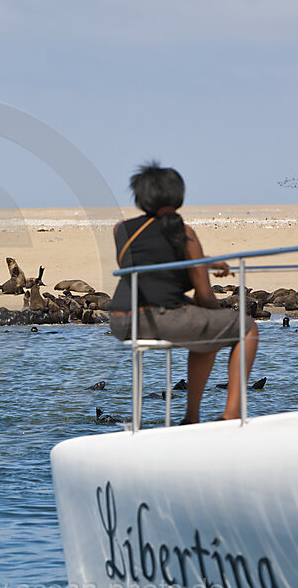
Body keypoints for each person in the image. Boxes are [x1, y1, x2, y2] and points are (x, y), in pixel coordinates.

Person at [108, 162, 258, 424]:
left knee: (209, 331)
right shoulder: (185, 233)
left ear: (140, 197)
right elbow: (205, 294)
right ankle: (229, 414)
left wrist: (203, 260)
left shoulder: (120, 230)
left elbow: (149, 265)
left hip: (121, 319)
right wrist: (212, 305)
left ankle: (192, 418)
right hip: (159, 317)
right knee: (246, 328)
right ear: (178, 196)